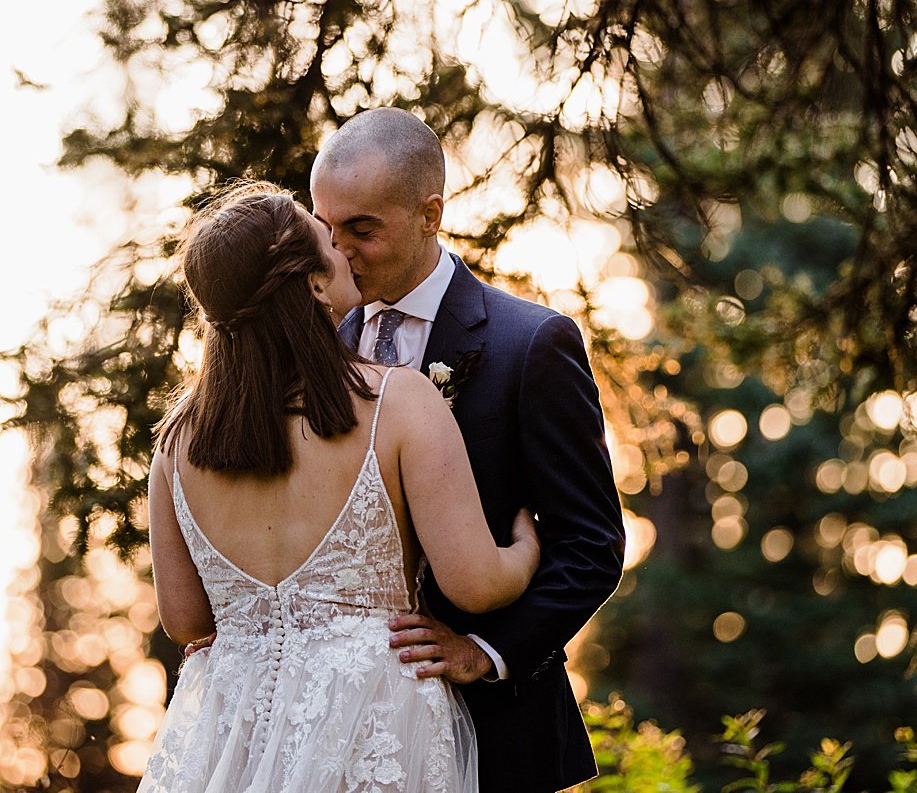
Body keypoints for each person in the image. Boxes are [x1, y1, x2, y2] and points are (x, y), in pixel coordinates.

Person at [138, 182, 541, 792]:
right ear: (315, 285)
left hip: (232, 725)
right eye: (323, 234)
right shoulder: (397, 402)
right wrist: (526, 546)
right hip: (370, 716)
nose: (340, 243)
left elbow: (186, 618)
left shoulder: (176, 442)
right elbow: (476, 586)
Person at [313, 108, 627, 793]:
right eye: (328, 229)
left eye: (362, 229)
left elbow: (592, 544)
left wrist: (487, 652)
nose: (340, 252)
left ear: (431, 214)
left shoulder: (531, 346)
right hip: (341, 736)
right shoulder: (314, 355)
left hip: (494, 734)